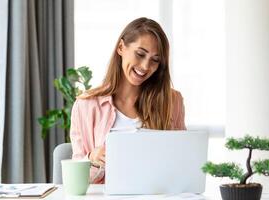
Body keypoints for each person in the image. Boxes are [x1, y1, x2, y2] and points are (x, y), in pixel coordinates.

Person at [70, 17, 186, 184]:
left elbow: (181, 163)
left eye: (155, 60)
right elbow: (78, 182)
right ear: (121, 48)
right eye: (140, 54)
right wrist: (93, 158)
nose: (145, 66)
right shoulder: (86, 105)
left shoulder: (172, 101)